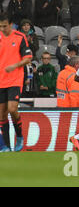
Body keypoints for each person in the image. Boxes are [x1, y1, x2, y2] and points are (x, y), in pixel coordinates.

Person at [0, 12, 32, 152]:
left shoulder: (19, 37)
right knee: (1, 115)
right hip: (0, 81)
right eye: (0, 26)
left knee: (12, 109)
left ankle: (19, 136)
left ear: (11, 25)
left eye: (5, 26)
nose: (2, 29)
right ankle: (6, 146)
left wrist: (15, 65)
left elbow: (28, 58)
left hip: (14, 79)